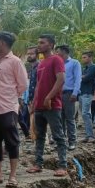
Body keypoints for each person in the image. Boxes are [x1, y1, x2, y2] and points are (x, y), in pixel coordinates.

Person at [0, 32, 28, 187]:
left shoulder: (15, 61)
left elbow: (23, 84)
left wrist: (10, 97)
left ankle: (13, 176)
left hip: (8, 107)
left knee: (12, 142)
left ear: (2, 43)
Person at [27, 34, 68, 177]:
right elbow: (38, 84)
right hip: (39, 106)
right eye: (38, 42)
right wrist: (34, 102)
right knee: (39, 136)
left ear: (51, 45)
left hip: (52, 105)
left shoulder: (56, 59)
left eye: (42, 42)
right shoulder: (41, 63)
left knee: (58, 136)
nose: (39, 45)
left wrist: (49, 97)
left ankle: (63, 165)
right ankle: (38, 164)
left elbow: (61, 79)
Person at [56, 45, 80, 150]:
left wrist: (75, 93)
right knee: (59, 119)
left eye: (58, 52)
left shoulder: (74, 63)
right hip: (58, 94)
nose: (57, 54)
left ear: (65, 52)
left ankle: (72, 141)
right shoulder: (57, 64)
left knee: (69, 118)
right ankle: (61, 142)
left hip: (69, 93)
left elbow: (78, 78)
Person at [79, 51, 95, 143]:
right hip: (82, 92)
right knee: (85, 114)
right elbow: (81, 77)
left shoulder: (93, 67)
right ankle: (88, 135)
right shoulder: (84, 68)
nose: (83, 59)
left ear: (90, 58)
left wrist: (80, 77)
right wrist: (81, 76)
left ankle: (91, 136)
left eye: (85, 57)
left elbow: (86, 78)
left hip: (87, 92)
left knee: (85, 113)